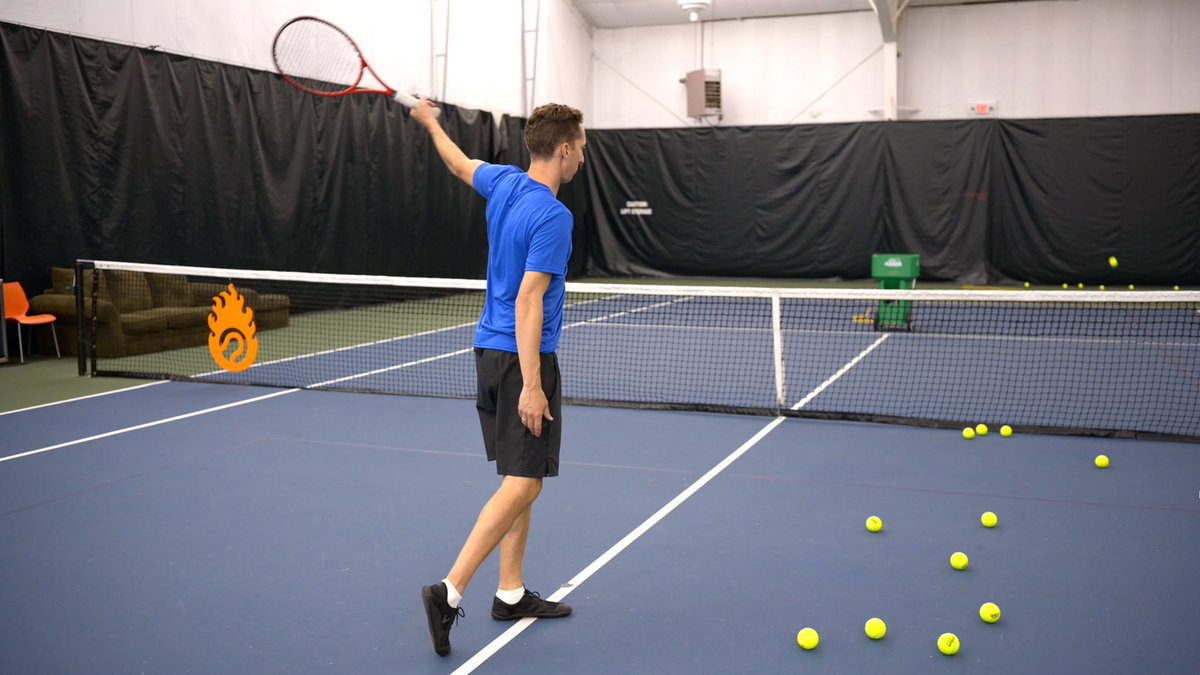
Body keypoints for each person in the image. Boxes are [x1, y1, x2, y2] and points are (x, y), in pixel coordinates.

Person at [410, 98, 586, 658]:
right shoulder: (554, 217)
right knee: (524, 484)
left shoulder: (505, 183)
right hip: (521, 362)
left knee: (520, 474)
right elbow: (530, 301)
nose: (583, 157)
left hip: (488, 352)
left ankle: (510, 593)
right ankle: (450, 590)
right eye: (581, 148)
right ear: (564, 149)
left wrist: (431, 123)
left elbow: (458, 163)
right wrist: (533, 384)